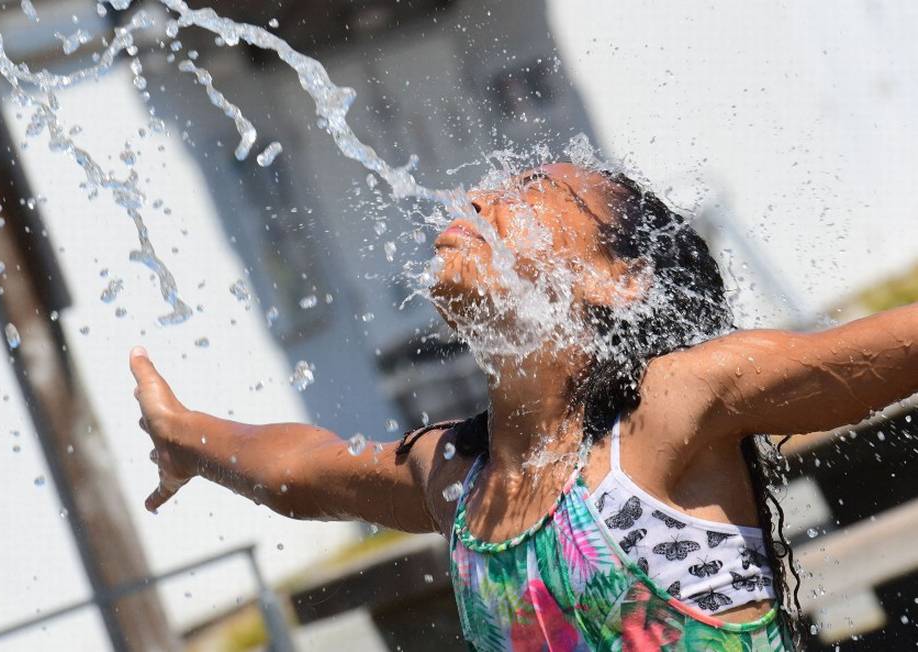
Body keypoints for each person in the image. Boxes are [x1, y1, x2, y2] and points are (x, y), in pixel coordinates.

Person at [129, 163, 918, 650]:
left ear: (620, 279)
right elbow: (305, 472)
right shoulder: (460, 479)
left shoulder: (669, 410)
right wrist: (184, 436)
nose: (476, 199)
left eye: (530, 192)